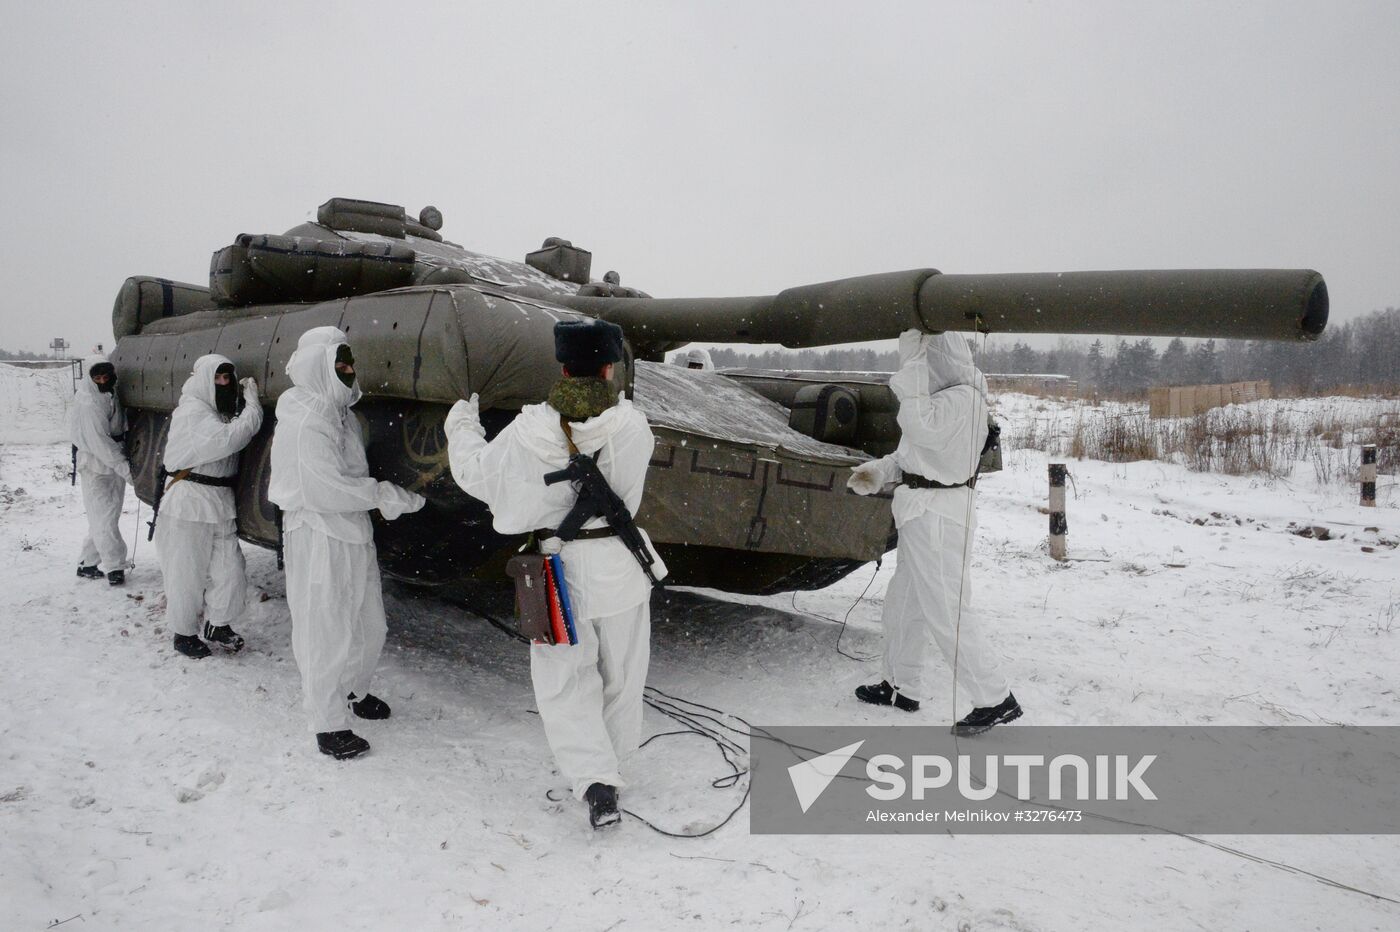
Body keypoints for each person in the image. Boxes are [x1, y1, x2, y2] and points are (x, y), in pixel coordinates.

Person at [444, 318, 664, 829]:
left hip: (553, 572)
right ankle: (613, 769)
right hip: (618, 567)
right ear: (610, 368)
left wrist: (461, 425)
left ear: (562, 366)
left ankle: (594, 780)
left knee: (565, 680)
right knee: (624, 676)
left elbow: (476, 472)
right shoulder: (633, 426)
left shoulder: (530, 430)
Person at [847, 329, 1021, 735]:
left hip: (940, 516)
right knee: (903, 604)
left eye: (917, 361)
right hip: (919, 513)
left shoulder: (963, 400)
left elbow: (922, 429)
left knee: (949, 611)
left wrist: (912, 381)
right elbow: (911, 453)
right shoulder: (938, 402)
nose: (912, 370)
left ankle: (995, 698)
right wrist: (880, 472)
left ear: (933, 360)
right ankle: (900, 686)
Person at [268, 327, 426, 760]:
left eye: (351, 364)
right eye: (340, 364)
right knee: (326, 630)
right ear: (319, 365)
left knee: (368, 625)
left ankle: (355, 691)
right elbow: (326, 488)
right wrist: (384, 495)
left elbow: (351, 476)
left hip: (352, 531)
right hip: (319, 533)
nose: (349, 372)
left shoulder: (339, 415)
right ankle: (328, 723)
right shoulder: (302, 420)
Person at [154, 354, 263, 659]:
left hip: (218, 500)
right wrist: (253, 407)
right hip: (189, 500)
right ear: (204, 380)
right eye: (218, 378)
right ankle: (183, 632)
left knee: (230, 569)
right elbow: (230, 439)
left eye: (228, 378)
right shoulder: (192, 412)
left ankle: (218, 624)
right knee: (186, 571)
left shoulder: (218, 412)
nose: (224, 384)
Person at [71, 354, 131, 586]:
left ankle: (87, 563)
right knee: (104, 519)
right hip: (96, 464)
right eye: (98, 377)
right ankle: (115, 566)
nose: (103, 380)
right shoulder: (88, 403)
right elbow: (100, 443)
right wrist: (124, 467)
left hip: (112, 458)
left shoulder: (109, 394)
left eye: (106, 376)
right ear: (90, 377)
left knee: (105, 517)